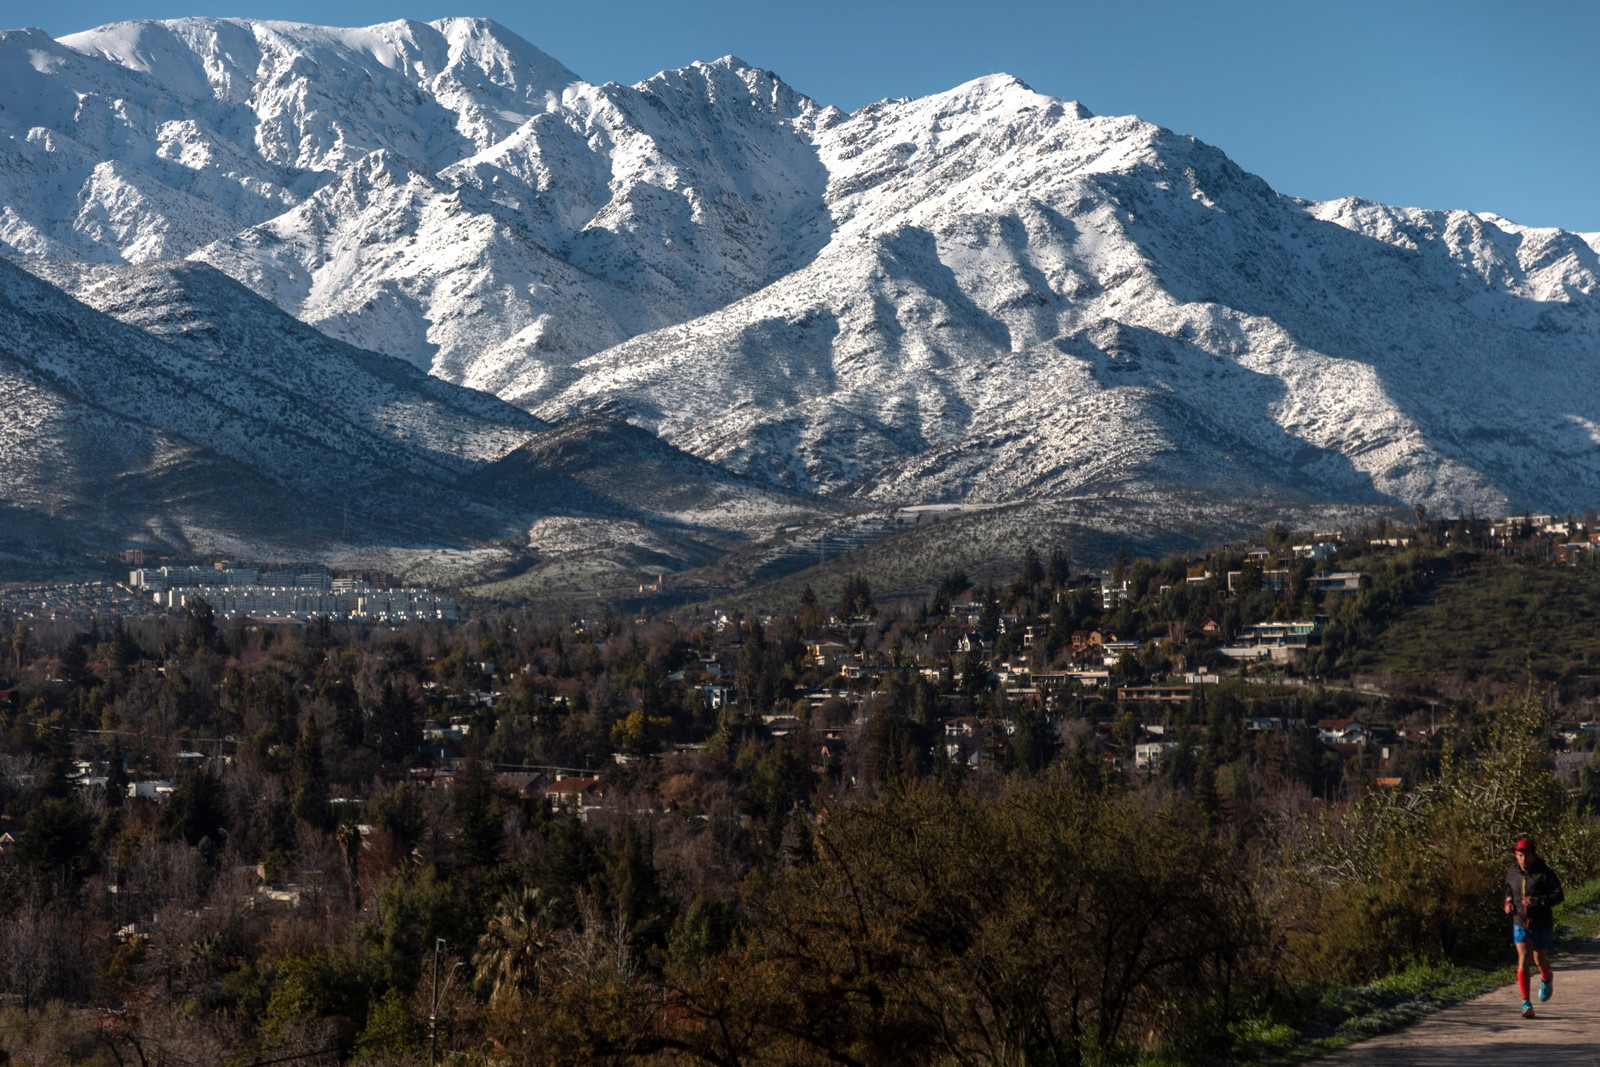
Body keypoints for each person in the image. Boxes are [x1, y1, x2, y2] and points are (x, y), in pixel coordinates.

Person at [1504, 835, 1564, 1019]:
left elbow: (1559, 895)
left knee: (1540, 960)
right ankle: (1526, 1003)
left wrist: (1539, 901)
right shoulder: (1512, 873)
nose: (1523, 859)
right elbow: (1508, 889)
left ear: (1534, 855)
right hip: (1520, 921)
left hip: (1541, 923)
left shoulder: (1545, 873)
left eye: (1527, 855)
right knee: (1523, 958)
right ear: (1515, 855)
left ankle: (1546, 977)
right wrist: (1507, 902)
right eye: (1520, 855)